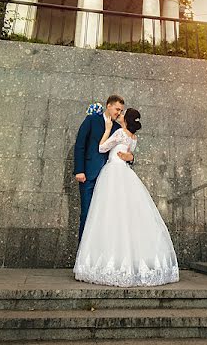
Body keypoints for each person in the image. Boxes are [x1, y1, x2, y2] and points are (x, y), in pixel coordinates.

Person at [73, 108, 179, 287]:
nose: (119, 116)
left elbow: (101, 147)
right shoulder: (133, 137)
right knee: (129, 215)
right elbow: (128, 155)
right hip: (126, 175)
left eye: (122, 114)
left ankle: (108, 261)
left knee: (108, 214)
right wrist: (130, 157)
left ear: (126, 120)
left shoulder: (120, 132)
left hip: (113, 174)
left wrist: (107, 130)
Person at [73, 95, 127, 242]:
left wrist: (131, 158)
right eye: (117, 109)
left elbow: (124, 149)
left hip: (110, 177)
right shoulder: (91, 120)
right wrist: (79, 170)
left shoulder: (118, 128)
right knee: (87, 213)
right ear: (108, 105)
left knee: (105, 216)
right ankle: (83, 256)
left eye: (121, 111)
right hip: (89, 174)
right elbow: (80, 144)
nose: (119, 113)